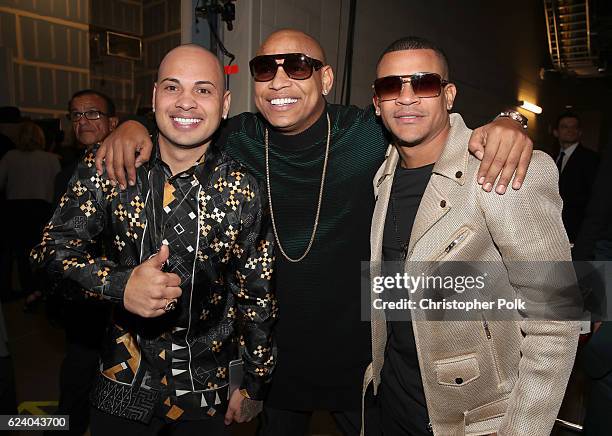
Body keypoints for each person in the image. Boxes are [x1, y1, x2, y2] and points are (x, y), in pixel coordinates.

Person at [96, 30, 534, 436]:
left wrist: (512, 119)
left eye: (298, 66)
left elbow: (431, 119)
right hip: (275, 357)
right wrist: (134, 126)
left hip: (363, 356)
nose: (280, 80)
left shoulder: (367, 131)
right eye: (266, 69)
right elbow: (183, 117)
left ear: (325, 79)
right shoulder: (237, 136)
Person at [31, 44, 276, 435]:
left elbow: (255, 295)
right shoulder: (110, 165)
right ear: (154, 96)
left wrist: (253, 380)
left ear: (225, 103)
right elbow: (49, 255)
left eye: (203, 90)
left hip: (206, 390)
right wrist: (119, 284)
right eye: (173, 87)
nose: (186, 102)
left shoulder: (243, 188)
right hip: (122, 381)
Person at [365, 36, 580, 435]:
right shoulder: (384, 174)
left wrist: (522, 429)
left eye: (424, 84)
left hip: (471, 421)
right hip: (391, 404)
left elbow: (558, 317)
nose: (406, 98)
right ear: (377, 103)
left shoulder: (504, 168)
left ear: (448, 96)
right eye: (391, 87)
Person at [44, 89, 119, 436]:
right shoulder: (66, 176)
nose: (83, 121)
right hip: (83, 301)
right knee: (75, 380)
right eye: (76, 115)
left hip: (125, 299)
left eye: (93, 113)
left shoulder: (135, 167)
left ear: (112, 122)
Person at [0, 121, 60, 310]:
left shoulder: (10, 157)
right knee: (41, 252)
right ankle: (41, 291)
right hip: (41, 209)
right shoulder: (50, 159)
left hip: (15, 210)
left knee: (21, 254)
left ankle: (28, 291)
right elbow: (58, 188)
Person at [553, 112, 599, 244]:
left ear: (579, 132)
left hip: (576, 229)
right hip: (554, 226)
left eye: (574, 127)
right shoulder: (552, 157)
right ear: (556, 132)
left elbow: (593, 196)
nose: (570, 131)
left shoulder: (590, 159)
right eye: (565, 127)